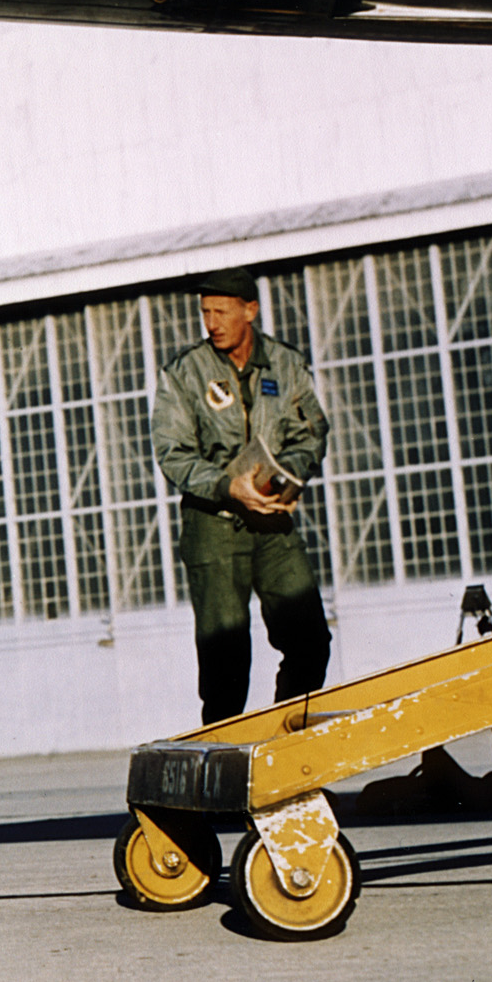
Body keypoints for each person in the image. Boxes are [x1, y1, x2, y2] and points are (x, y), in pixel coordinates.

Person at [150, 267, 332, 724]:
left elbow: (312, 433)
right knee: (226, 661)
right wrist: (228, 486)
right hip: (214, 527)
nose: (211, 323)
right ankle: (223, 759)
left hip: (272, 522)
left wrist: (287, 476)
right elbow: (172, 452)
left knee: (309, 639)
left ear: (250, 311)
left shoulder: (287, 365)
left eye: (221, 312)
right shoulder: (184, 373)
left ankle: (285, 742)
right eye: (205, 313)